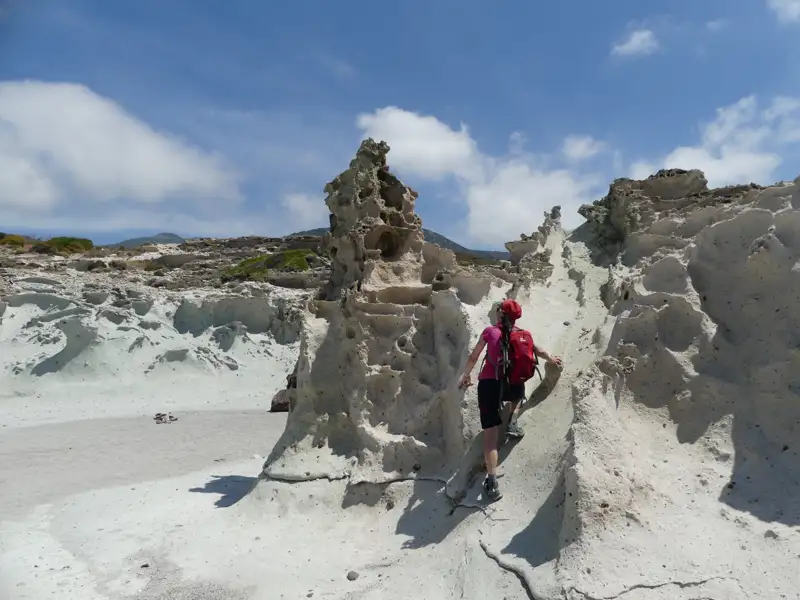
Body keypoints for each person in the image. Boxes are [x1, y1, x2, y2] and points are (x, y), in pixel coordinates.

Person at [458, 299, 562, 501]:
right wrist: (551, 358)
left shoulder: (490, 332)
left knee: (490, 437)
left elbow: (474, 357)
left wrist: (466, 375)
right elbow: (538, 351)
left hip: (489, 385)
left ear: (500, 313)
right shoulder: (523, 335)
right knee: (519, 395)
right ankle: (512, 421)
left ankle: (492, 481)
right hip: (512, 385)